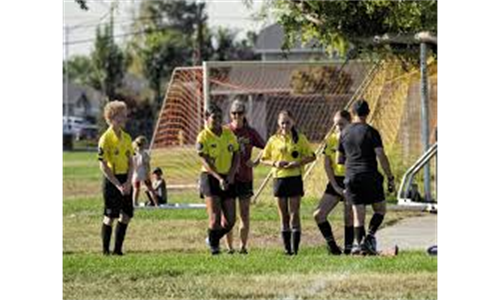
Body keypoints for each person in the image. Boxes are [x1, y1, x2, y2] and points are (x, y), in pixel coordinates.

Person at [338, 100, 395, 255]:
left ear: (353, 113)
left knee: (358, 216)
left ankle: (362, 246)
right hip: (369, 175)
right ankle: (369, 238)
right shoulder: (371, 131)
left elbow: (339, 160)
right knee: (380, 209)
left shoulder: (343, 133)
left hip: (351, 177)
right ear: (368, 112)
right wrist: (390, 177)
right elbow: (381, 155)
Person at [260, 110, 316, 255]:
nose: (285, 125)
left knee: (294, 214)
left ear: (293, 122)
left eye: (288, 122)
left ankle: (295, 250)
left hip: (294, 179)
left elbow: (312, 156)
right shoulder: (273, 140)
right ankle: (287, 249)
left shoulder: (300, 138)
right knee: (283, 215)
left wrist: (297, 163)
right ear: (279, 123)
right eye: (282, 122)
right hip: (279, 179)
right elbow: (263, 159)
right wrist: (275, 163)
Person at [196, 103, 240, 255]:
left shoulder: (229, 134)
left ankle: (211, 239)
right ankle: (215, 248)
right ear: (207, 118)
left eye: (220, 117)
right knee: (215, 218)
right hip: (210, 178)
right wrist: (218, 177)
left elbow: (236, 154)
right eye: (214, 117)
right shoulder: (203, 136)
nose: (217, 120)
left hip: (227, 176)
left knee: (231, 221)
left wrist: (230, 175)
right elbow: (205, 161)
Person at [224, 100, 266, 254]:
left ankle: (243, 246)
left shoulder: (250, 132)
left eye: (240, 113)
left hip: (245, 178)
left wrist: (255, 162)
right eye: (234, 113)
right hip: (229, 178)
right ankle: (229, 247)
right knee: (229, 216)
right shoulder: (226, 131)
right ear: (230, 114)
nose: (237, 116)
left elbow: (267, 147)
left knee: (244, 213)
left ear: (244, 114)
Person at [313, 110, 353, 255]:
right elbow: (327, 164)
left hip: (351, 180)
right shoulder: (331, 140)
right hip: (336, 180)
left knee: (348, 217)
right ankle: (333, 247)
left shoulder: (355, 138)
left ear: (350, 122)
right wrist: (335, 186)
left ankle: (348, 249)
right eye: (336, 125)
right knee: (319, 214)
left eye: (342, 124)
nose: (338, 127)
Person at [97, 100, 134, 256]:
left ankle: (118, 250)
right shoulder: (105, 139)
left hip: (125, 179)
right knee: (110, 216)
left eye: (125, 115)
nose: (124, 119)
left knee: (126, 215)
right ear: (111, 117)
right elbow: (103, 166)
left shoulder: (126, 138)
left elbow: (131, 162)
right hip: (112, 180)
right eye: (121, 116)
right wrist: (118, 184)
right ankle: (106, 251)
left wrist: (128, 182)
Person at [132, 136, 158, 207]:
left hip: (136, 174)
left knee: (136, 189)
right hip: (144, 174)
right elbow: (147, 165)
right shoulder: (144, 154)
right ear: (143, 144)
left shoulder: (133, 153)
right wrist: (148, 173)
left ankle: (134, 203)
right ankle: (156, 203)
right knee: (150, 189)